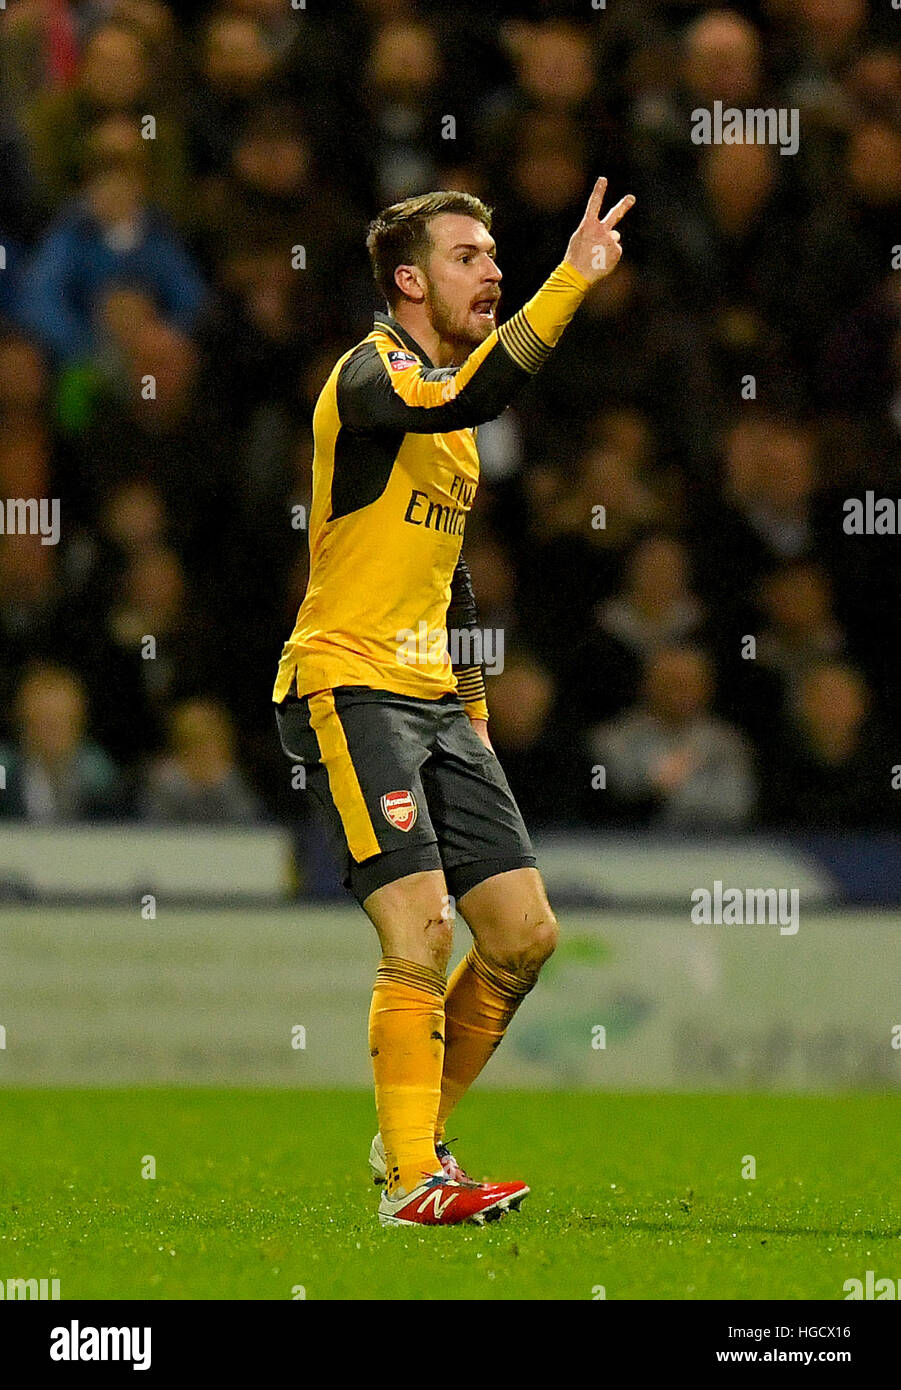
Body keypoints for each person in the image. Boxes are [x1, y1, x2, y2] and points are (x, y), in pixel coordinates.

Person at [273, 177, 635, 1226]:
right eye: (469, 255)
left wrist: (472, 701)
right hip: (349, 682)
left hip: (434, 699)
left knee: (522, 934)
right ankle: (410, 1177)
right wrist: (572, 280)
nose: (492, 268)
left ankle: (414, 1138)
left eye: (495, 255)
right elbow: (473, 393)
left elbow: (452, 571)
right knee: (422, 930)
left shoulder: (452, 416)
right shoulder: (372, 375)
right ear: (408, 277)